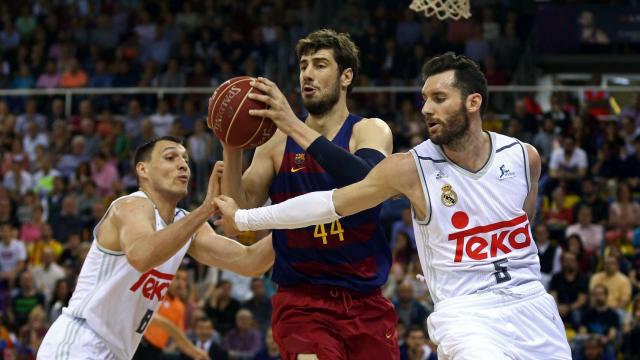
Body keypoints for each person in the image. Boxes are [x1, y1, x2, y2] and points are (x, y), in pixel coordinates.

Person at [216, 52, 572, 359]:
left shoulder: (525, 158)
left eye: (439, 98)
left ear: (473, 102)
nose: (426, 109)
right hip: (469, 315)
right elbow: (327, 204)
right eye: (424, 99)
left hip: (532, 305)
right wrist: (246, 217)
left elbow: (521, 227)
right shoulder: (408, 167)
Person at [220, 29, 396, 359]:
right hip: (302, 301)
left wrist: (291, 124)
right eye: (303, 66)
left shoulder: (370, 129)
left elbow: (367, 183)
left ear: (346, 76)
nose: (308, 74)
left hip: (365, 300)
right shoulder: (274, 143)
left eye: (319, 64)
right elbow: (241, 219)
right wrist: (230, 146)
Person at [38, 136, 275, 360]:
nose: (182, 164)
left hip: (117, 352)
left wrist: (299, 222)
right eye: (171, 157)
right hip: (80, 340)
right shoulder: (131, 205)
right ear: (143, 170)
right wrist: (205, 209)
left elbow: (250, 262)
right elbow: (142, 256)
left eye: (185, 159)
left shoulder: (185, 223)